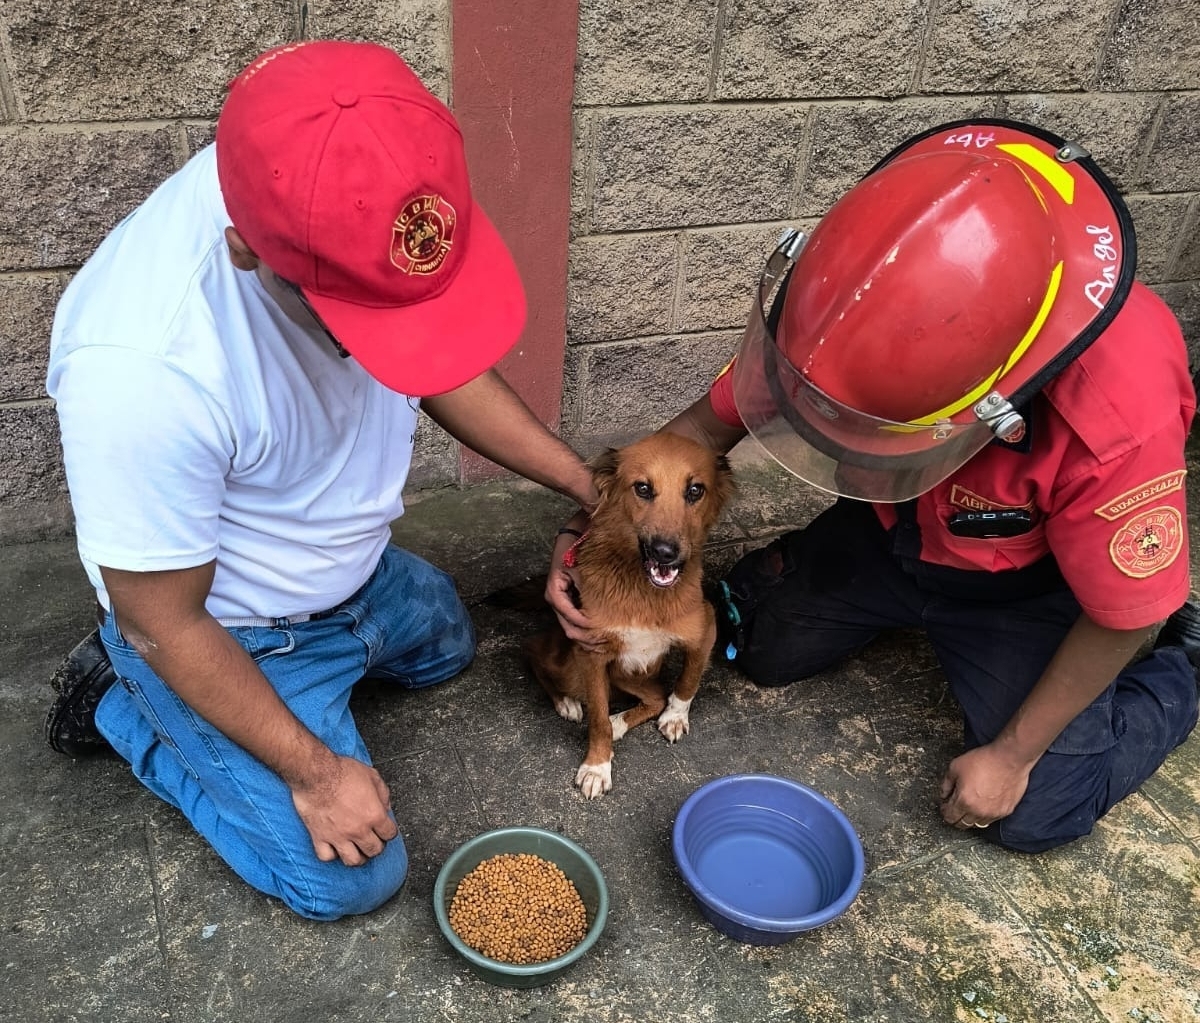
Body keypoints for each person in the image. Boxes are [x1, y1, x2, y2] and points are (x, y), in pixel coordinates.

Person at [43, 40, 595, 921]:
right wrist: (317, 771)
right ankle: (129, 704)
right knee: (348, 878)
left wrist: (589, 494)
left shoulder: (355, 180)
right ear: (247, 250)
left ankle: (323, 670)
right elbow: (165, 615)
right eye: (365, 318)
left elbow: (437, 356)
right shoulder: (143, 368)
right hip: (227, 623)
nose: (394, 350)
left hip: (351, 568)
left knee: (454, 644)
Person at [549, 120, 1200, 854]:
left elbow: (1118, 619)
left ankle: (1182, 666)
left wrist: (1012, 755)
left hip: (1022, 586)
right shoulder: (848, 300)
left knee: (1032, 809)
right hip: (892, 532)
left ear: (986, 406)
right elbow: (693, 438)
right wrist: (583, 528)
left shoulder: (1118, 411)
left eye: (872, 432)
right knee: (747, 641)